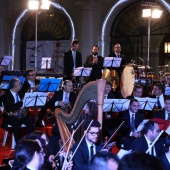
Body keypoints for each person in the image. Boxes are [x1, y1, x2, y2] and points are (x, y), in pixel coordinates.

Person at [1, 78, 34, 143]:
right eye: (20, 84)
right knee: (15, 121)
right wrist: (22, 102)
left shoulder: (21, 93)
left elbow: (25, 105)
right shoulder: (6, 95)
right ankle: (18, 143)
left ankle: (29, 141)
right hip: (10, 116)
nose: (21, 85)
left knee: (30, 120)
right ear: (16, 86)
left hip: (21, 115)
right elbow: (10, 108)